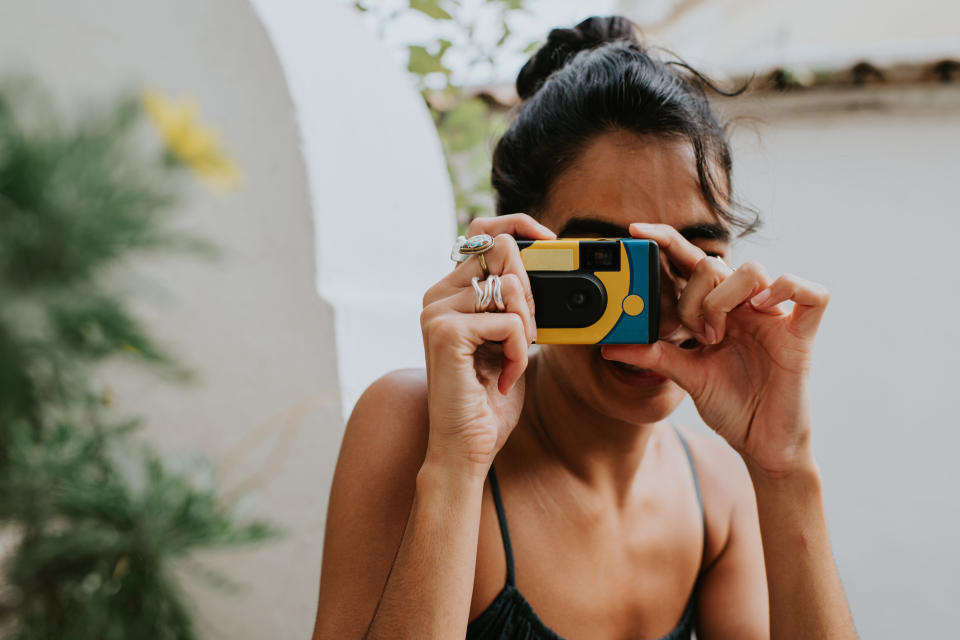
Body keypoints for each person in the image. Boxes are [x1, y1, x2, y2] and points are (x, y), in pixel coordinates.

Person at [314, 15, 857, 640]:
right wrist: (458, 465)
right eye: (602, 267)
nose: (650, 314)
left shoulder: (718, 491)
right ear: (515, 254)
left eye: (690, 256)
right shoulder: (417, 426)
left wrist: (785, 468)